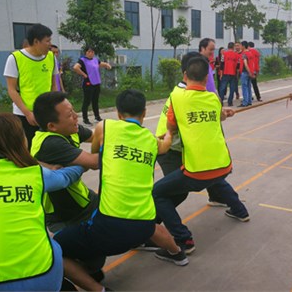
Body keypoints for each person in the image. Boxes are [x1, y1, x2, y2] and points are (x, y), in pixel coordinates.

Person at [0, 113, 104, 291]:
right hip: (45, 273)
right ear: (19, 140)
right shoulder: (34, 173)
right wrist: (81, 163)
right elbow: (65, 177)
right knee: (55, 245)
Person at [54, 89, 189, 273]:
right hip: (145, 225)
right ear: (144, 113)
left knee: (56, 245)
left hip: (108, 227)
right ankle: (178, 254)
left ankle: (92, 279)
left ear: (118, 113)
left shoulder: (105, 127)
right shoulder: (151, 140)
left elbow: (95, 155)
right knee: (154, 227)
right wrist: (169, 131)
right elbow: (165, 146)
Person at [153, 56, 249, 254]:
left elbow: (171, 126)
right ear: (208, 78)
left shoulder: (177, 97)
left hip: (197, 169)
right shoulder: (214, 98)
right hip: (224, 166)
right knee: (212, 178)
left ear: (185, 75)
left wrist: (169, 134)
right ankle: (239, 209)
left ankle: (183, 239)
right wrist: (223, 114)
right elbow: (218, 114)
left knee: (157, 193)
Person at [31, 92, 99, 232]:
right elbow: (95, 162)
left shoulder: (69, 128)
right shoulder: (50, 143)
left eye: (73, 110)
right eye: (69, 115)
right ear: (51, 126)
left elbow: (96, 136)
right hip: (64, 215)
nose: (76, 116)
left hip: (83, 199)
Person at [4, 23, 58, 149]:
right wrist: (27, 113)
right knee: (27, 149)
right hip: (24, 115)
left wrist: (55, 107)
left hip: (46, 112)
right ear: (36, 41)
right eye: (47, 41)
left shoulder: (51, 57)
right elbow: (12, 90)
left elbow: (53, 85)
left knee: (47, 148)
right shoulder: (15, 58)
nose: (50, 44)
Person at [73, 46, 112, 125]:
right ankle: (85, 118)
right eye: (89, 52)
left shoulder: (95, 60)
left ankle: (97, 117)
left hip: (96, 82)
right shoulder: (82, 60)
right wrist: (84, 75)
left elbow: (100, 64)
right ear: (86, 52)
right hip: (88, 83)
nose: (91, 53)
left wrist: (107, 65)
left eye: (92, 52)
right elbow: (75, 67)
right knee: (87, 101)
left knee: (95, 101)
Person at [219, 42, 239, 106]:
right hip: (233, 73)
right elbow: (238, 65)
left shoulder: (224, 54)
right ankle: (230, 102)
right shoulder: (236, 55)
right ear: (233, 47)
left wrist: (221, 73)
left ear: (228, 47)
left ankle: (221, 101)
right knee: (232, 88)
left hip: (225, 73)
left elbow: (221, 64)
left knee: (222, 88)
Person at [238, 41, 253, 107]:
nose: (240, 47)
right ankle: (249, 101)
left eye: (240, 45)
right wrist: (251, 72)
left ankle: (245, 102)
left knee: (244, 87)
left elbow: (245, 64)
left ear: (243, 46)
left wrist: (249, 72)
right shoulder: (250, 53)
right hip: (250, 72)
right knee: (249, 87)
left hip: (245, 72)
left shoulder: (244, 54)